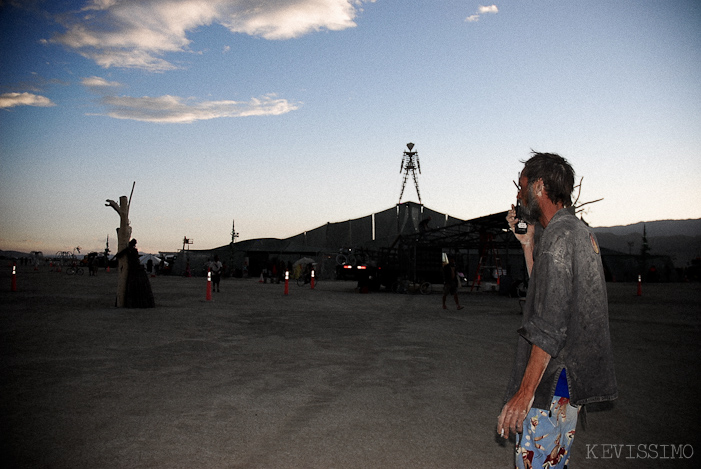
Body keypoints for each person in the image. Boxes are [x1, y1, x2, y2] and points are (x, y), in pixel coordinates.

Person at [497, 152, 617, 468]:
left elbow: (550, 324)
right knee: (553, 462)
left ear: (539, 187)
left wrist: (525, 394)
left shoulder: (559, 239)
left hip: (551, 383)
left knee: (536, 463)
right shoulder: (578, 232)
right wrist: (527, 243)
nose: (518, 196)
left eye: (521, 188)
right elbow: (550, 296)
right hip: (567, 384)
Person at [115, 239, 155, 308]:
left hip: (134, 268)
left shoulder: (129, 250)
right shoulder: (130, 250)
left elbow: (118, 255)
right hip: (134, 268)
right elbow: (119, 255)